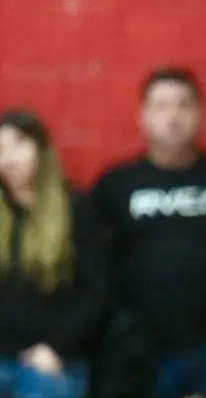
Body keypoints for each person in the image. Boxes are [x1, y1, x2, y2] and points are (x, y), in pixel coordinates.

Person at [92, 69, 206, 398]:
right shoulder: (115, 185)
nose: (173, 117)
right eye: (161, 106)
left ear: (201, 113)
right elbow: (93, 263)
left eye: (183, 105)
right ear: (143, 116)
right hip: (137, 343)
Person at [0, 109, 109, 398]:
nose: (10, 159)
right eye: (1, 149)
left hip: (50, 361)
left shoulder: (76, 208)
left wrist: (58, 348)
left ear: (41, 149)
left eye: (19, 144)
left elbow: (97, 292)